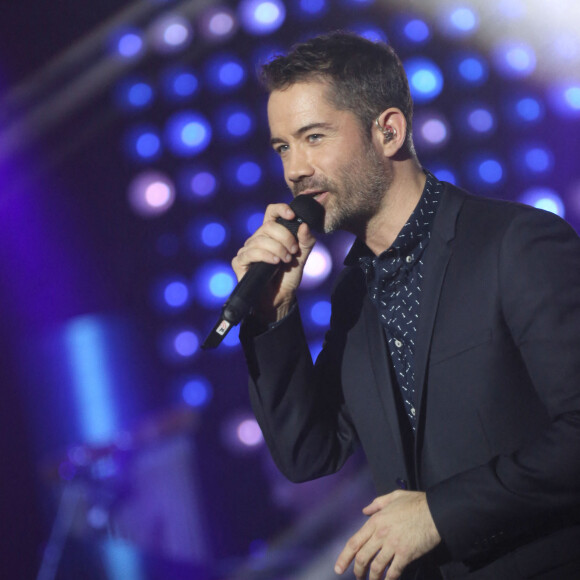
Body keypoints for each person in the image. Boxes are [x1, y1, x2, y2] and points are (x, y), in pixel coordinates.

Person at [231, 31, 580, 580]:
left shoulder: (515, 242)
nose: (294, 169)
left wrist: (440, 514)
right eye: (283, 147)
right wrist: (273, 315)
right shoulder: (356, 292)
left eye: (314, 137)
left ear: (388, 131)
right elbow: (308, 454)